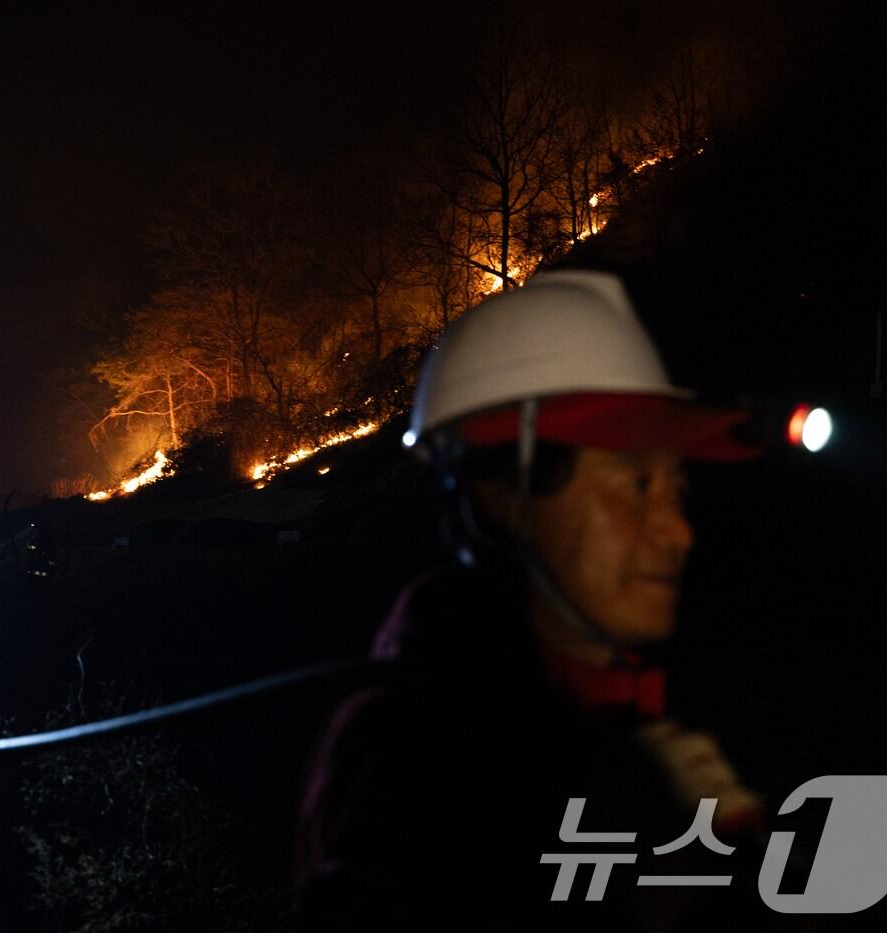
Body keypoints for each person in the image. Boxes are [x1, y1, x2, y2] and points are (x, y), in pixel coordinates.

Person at [295, 270, 771, 930]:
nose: (678, 531)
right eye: (635, 483)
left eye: (676, 490)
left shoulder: (694, 705)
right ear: (504, 500)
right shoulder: (408, 763)